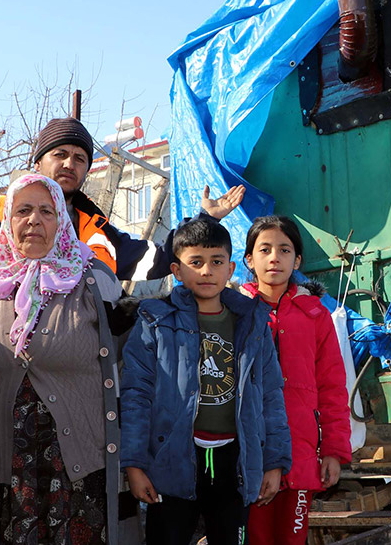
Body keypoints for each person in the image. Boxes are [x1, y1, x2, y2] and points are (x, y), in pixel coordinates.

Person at [0, 116, 246, 346]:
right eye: (60, 154)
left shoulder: (93, 228)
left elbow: (156, 260)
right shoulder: (0, 214)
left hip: (82, 363)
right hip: (2, 353)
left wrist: (205, 221)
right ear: (38, 161)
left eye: (80, 158)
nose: (70, 163)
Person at [0, 173, 124, 545]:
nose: (34, 220)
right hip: (5, 468)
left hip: (79, 466)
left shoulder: (94, 280)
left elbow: (128, 358)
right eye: (23, 210)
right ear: (8, 221)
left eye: (46, 210)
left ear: (62, 220)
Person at [120, 216, 291, 545]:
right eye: (195, 262)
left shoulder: (252, 323)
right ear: (176, 270)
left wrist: (275, 462)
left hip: (235, 464)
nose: (206, 271)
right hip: (172, 461)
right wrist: (134, 463)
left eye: (216, 262)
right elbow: (135, 396)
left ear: (231, 269)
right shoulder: (155, 322)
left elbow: (270, 395)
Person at [240, 215, 351, 545]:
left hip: (301, 454)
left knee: (292, 539)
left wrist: (333, 451)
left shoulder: (315, 315)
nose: (274, 257)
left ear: (297, 259)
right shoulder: (235, 312)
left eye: (284, 249)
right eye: (265, 249)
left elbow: (332, 387)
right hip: (250, 455)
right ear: (249, 259)